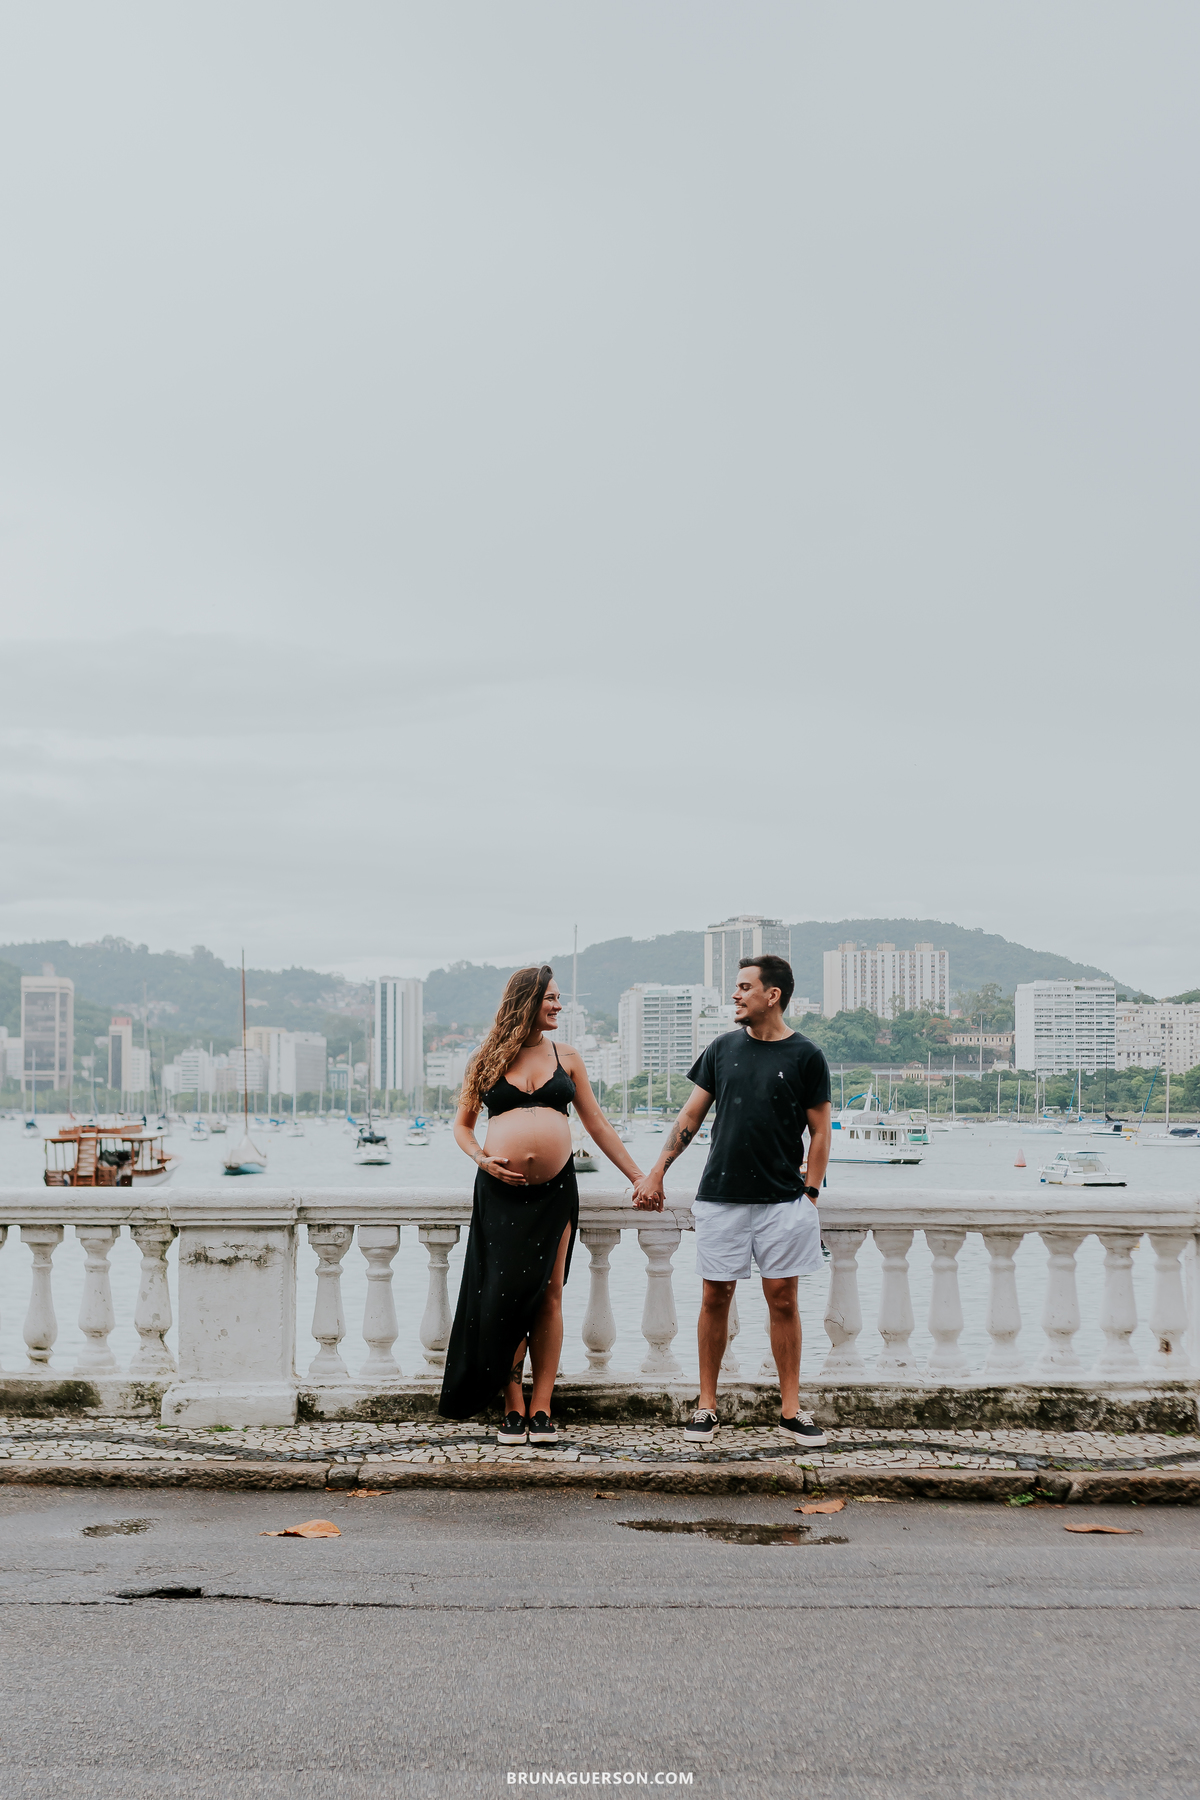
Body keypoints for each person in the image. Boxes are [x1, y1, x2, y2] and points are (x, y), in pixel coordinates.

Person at [439, 964, 646, 1446]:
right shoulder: (485, 1059)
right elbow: (463, 1126)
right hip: (499, 1191)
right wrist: (481, 1160)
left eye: (558, 998)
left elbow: (596, 1125)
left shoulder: (567, 1056)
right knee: (506, 1298)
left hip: (555, 1193)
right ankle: (513, 1406)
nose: (558, 1006)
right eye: (551, 998)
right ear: (526, 1001)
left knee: (550, 1293)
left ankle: (542, 1405)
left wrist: (638, 1176)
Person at [631, 954, 833, 1447]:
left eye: (745, 987)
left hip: (784, 1200)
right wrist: (657, 1170)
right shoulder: (721, 1049)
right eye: (736, 988)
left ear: (773, 995)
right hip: (721, 1197)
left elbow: (821, 1130)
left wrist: (810, 1192)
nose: (736, 996)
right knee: (713, 1297)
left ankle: (790, 1410)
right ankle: (707, 1406)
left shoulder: (806, 1055)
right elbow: (690, 1118)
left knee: (782, 1300)